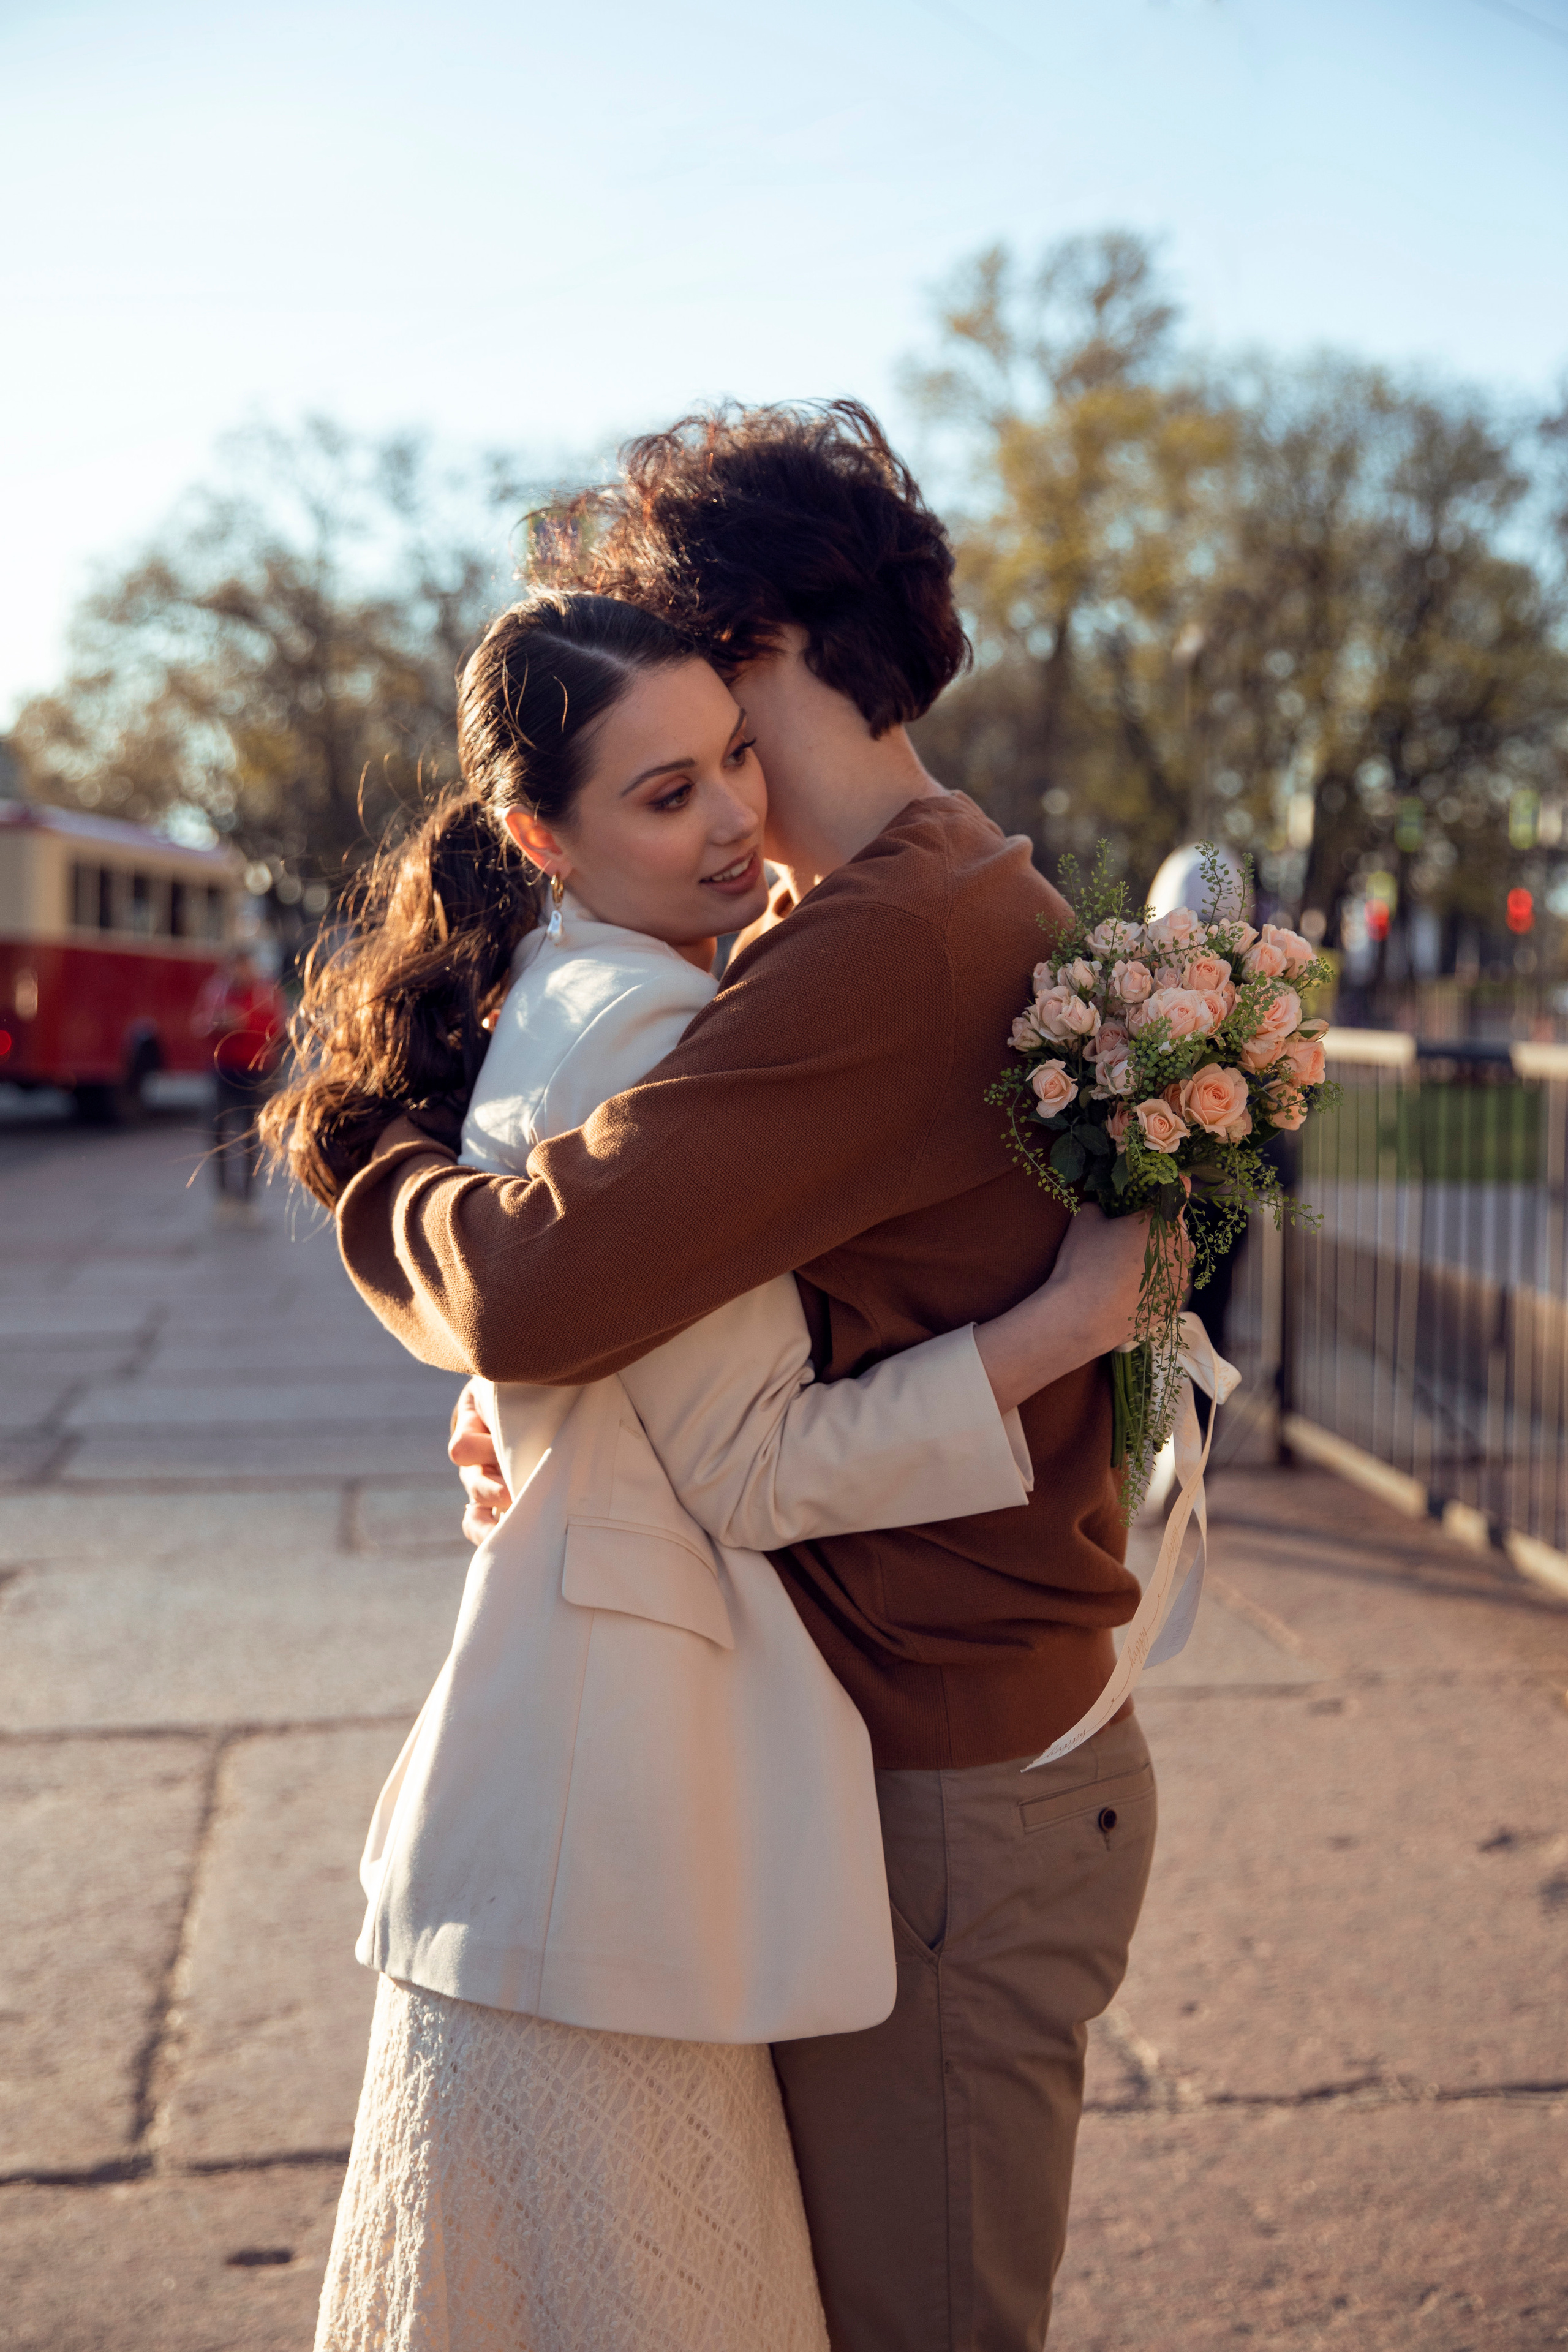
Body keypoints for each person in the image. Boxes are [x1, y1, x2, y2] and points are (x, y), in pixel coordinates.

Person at [326, 404, 1162, 2351]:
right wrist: (566, 1409)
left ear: (767, 650)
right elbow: (644, 1303)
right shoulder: (918, 892)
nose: (704, 790)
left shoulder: (873, 948)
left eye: (706, 690)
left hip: (958, 1781)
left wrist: (366, 1169)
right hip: (956, 1752)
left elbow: (531, 1282)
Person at [192, 948, 286, 1220]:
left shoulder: (265, 992)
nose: (239, 973)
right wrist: (216, 1024)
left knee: (251, 1135)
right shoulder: (216, 991)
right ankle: (224, 1195)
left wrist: (244, 1022)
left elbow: (277, 1029)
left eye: (244, 967)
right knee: (218, 1132)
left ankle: (248, 1198)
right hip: (223, 1068)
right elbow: (199, 1024)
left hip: (256, 1071)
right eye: (234, 967)